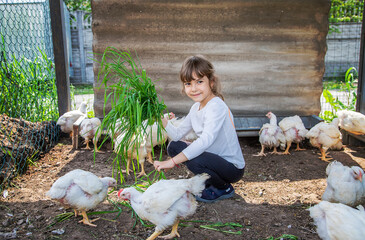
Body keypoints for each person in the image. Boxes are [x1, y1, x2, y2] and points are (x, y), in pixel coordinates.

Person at [153, 55, 245, 203]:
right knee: (175, 147)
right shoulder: (196, 107)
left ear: (212, 82)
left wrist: (172, 162)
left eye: (200, 82)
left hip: (232, 168)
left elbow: (205, 141)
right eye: (188, 83)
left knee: (194, 160)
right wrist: (159, 118)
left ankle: (222, 187)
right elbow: (177, 134)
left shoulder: (216, 106)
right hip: (214, 160)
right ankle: (210, 179)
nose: (194, 88)